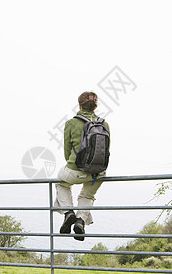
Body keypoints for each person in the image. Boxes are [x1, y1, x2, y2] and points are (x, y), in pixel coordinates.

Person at [54, 91, 110, 241]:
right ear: (95, 106)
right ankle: (80, 220)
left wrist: (75, 165)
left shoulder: (71, 123)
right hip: (98, 172)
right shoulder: (104, 124)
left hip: (75, 170)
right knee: (88, 195)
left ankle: (68, 213)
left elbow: (67, 152)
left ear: (79, 104)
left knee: (61, 183)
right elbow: (107, 150)